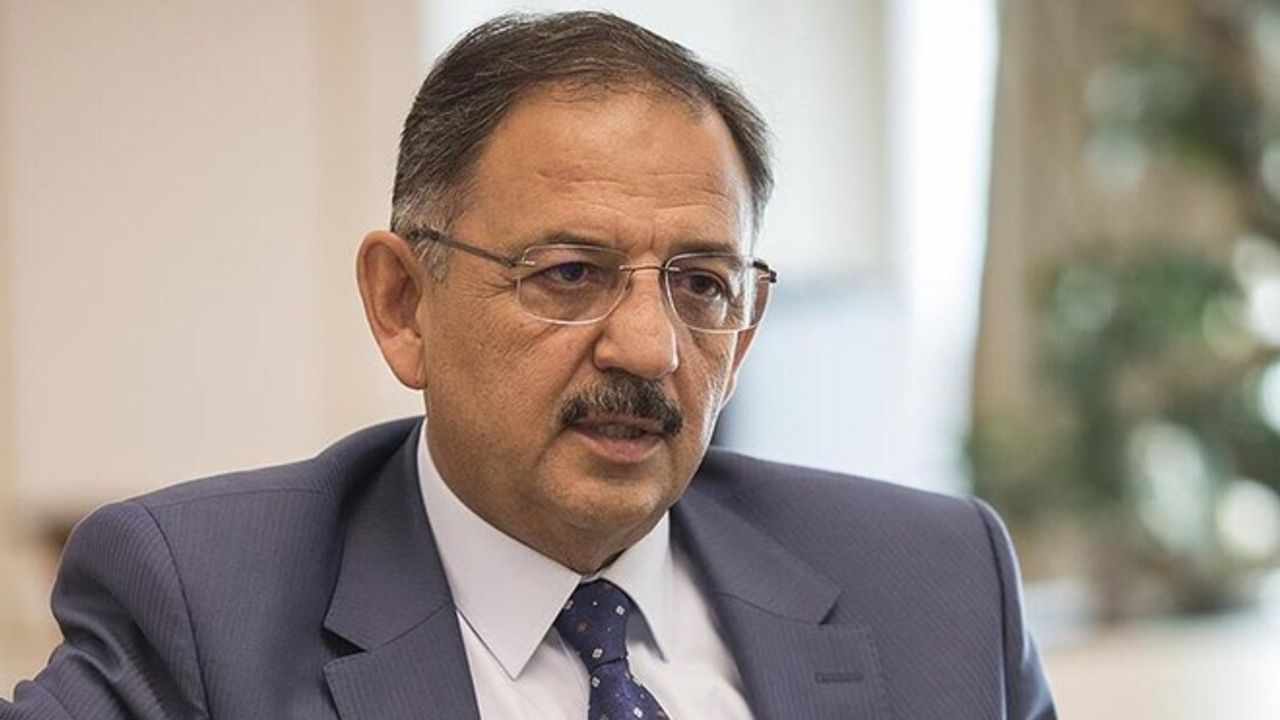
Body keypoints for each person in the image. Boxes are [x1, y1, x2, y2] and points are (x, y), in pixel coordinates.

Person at [1, 11, 1056, 720]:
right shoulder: (205, 607)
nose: (648, 347)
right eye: (568, 274)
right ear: (403, 304)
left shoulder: (937, 583)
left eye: (700, 284)